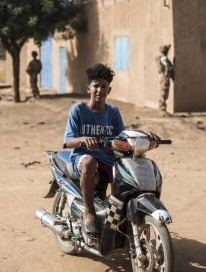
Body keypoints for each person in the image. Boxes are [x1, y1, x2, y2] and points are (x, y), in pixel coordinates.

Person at [63, 63, 160, 238]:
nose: (99, 89)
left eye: (104, 86)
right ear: (88, 88)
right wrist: (83, 139)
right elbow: (69, 141)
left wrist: (144, 135)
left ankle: (122, 215)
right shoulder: (78, 110)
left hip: (107, 158)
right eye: (96, 85)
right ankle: (89, 212)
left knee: (131, 173)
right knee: (89, 161)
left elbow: (122, 137)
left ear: (109, 90)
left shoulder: (113, 112)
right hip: (83, 158)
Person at [157, 44, 175, 115]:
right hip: (165, 78)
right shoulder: (164, 58)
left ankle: (162, 109)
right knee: (163, 93)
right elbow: (168, 67)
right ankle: (162, 110)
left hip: (164, 77)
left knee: (164, 93)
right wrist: (173, 67)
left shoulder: (162, 58)